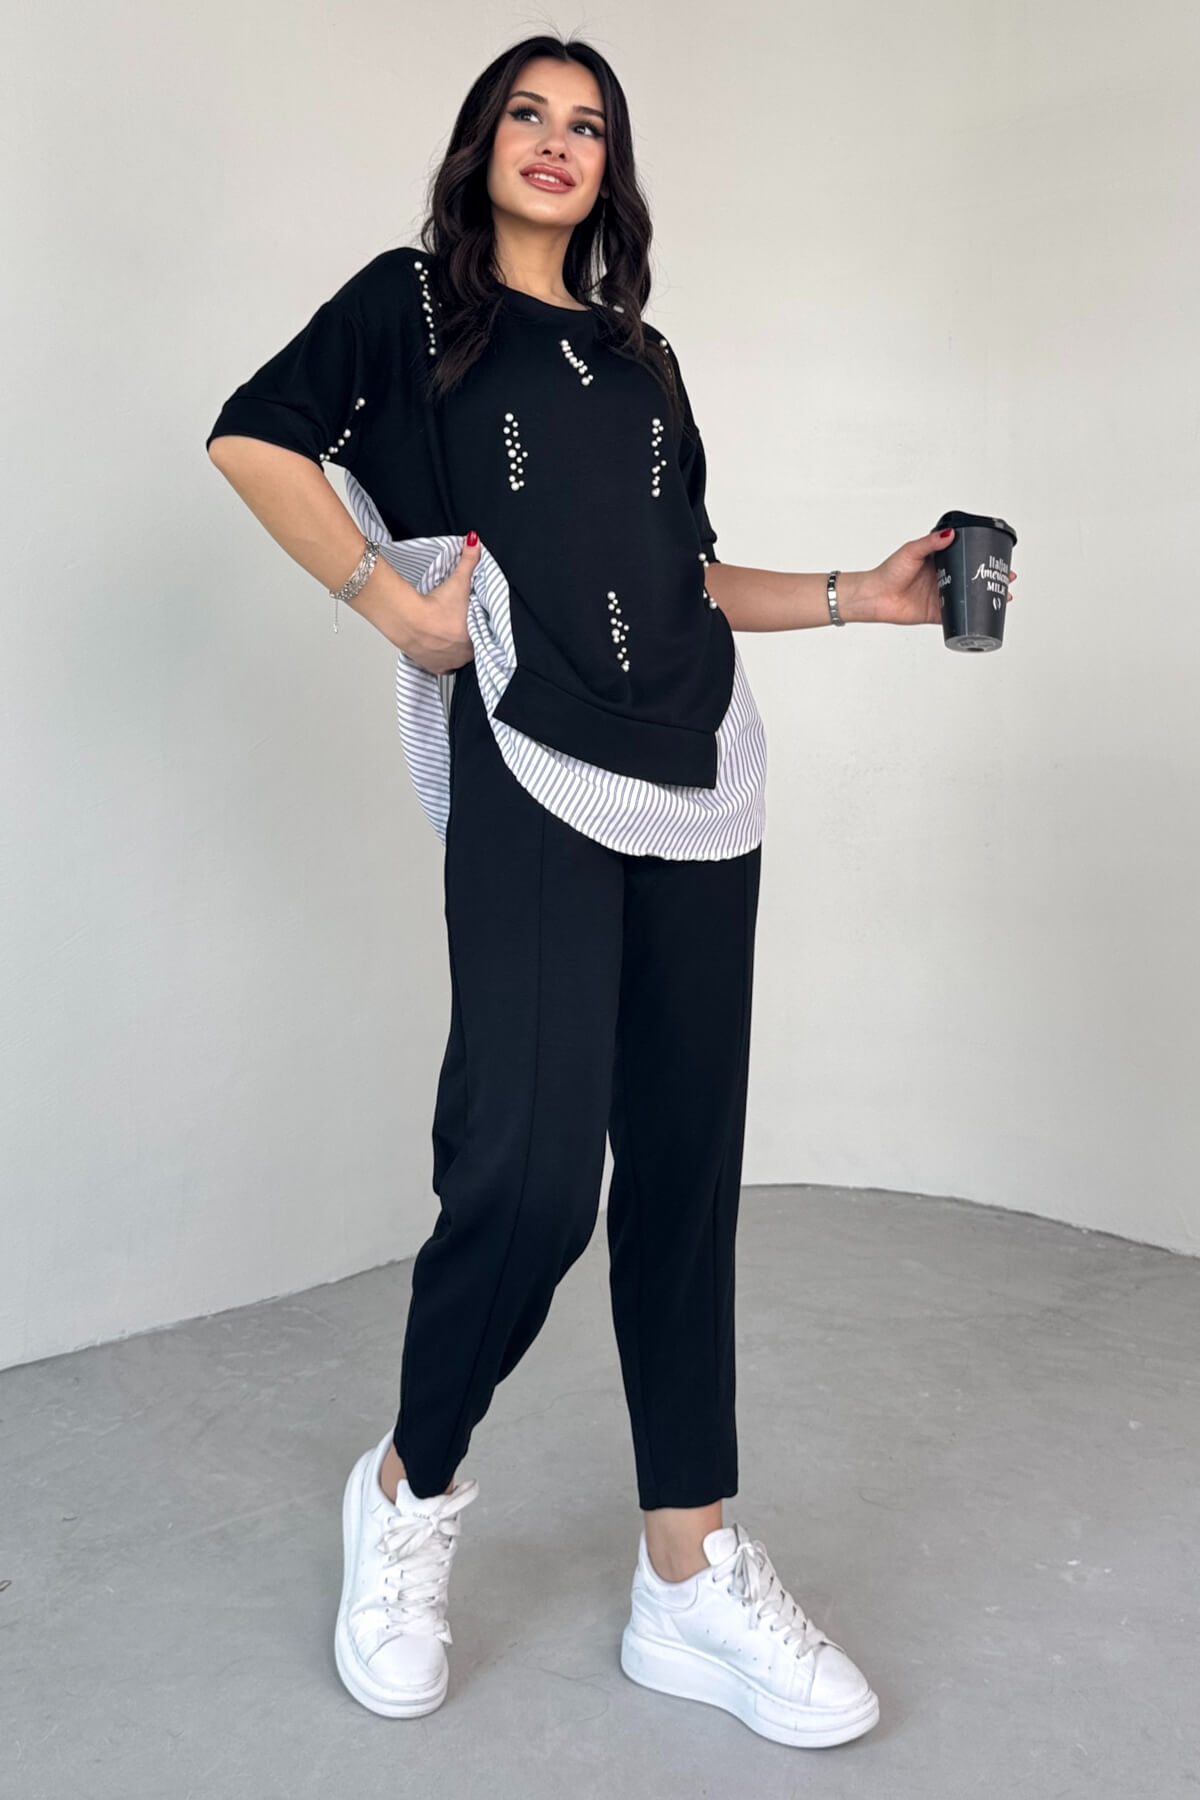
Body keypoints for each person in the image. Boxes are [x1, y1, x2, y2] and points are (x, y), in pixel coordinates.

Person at [205, 31, 1015, 1750]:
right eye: (529, 112)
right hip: (531, 756)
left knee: (685, 1179)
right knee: (525, 1172)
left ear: (611, 169)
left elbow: (682, 573)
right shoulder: (412, 308)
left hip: (700, 773)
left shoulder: (644, 361)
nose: (557, 141)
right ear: (482, 140)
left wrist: (863, 596)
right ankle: (410, 1488)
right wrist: (389, 603)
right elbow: (252, 438)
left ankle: (688, 1571)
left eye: (588, 124)